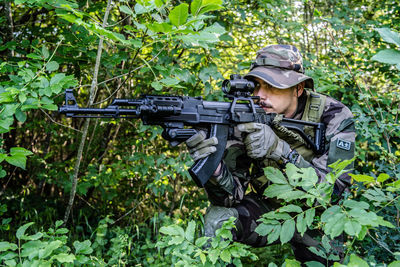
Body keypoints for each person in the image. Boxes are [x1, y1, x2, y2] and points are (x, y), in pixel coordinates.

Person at [185, 44, 355, 263]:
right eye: (256, 86)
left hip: (318, 217)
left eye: (272, 86)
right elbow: (229, 198)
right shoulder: (245, 114)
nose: (260, 95)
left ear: (299, 88)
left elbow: (332, 194)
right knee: (219, 220)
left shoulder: (334, 115)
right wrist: (215, 167)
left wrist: (281, 151)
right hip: (269, 211)